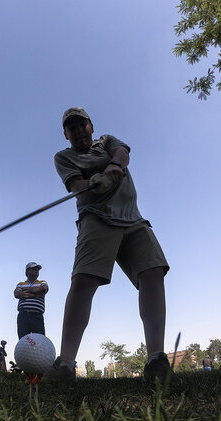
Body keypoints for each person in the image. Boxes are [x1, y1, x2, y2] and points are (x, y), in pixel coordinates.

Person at [47, 107, 170, 382]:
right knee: (83, 281)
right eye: (72, 127)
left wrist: (114, 166)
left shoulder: (107, 141)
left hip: (133, 219)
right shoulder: (64, 157)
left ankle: (156, 361)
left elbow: (122, 154)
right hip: (97, 219)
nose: (78, 130)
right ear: (65, 134)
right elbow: (77, 186)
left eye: (82, 124)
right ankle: (66, 364)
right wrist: (93, 184)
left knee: (153, 272)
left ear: (91, 126)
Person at [14, 261, 49, 339]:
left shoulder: (42, 282)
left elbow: (43, 289)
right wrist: (34, 293)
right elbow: (16, 294)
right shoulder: (21, 283)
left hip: (37, 315)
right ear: (27, 271)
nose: (36, 270)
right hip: (23, 315)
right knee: (23, 340)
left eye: (37, 269)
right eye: (34, 268)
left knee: (40, 340)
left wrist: (25, 292)